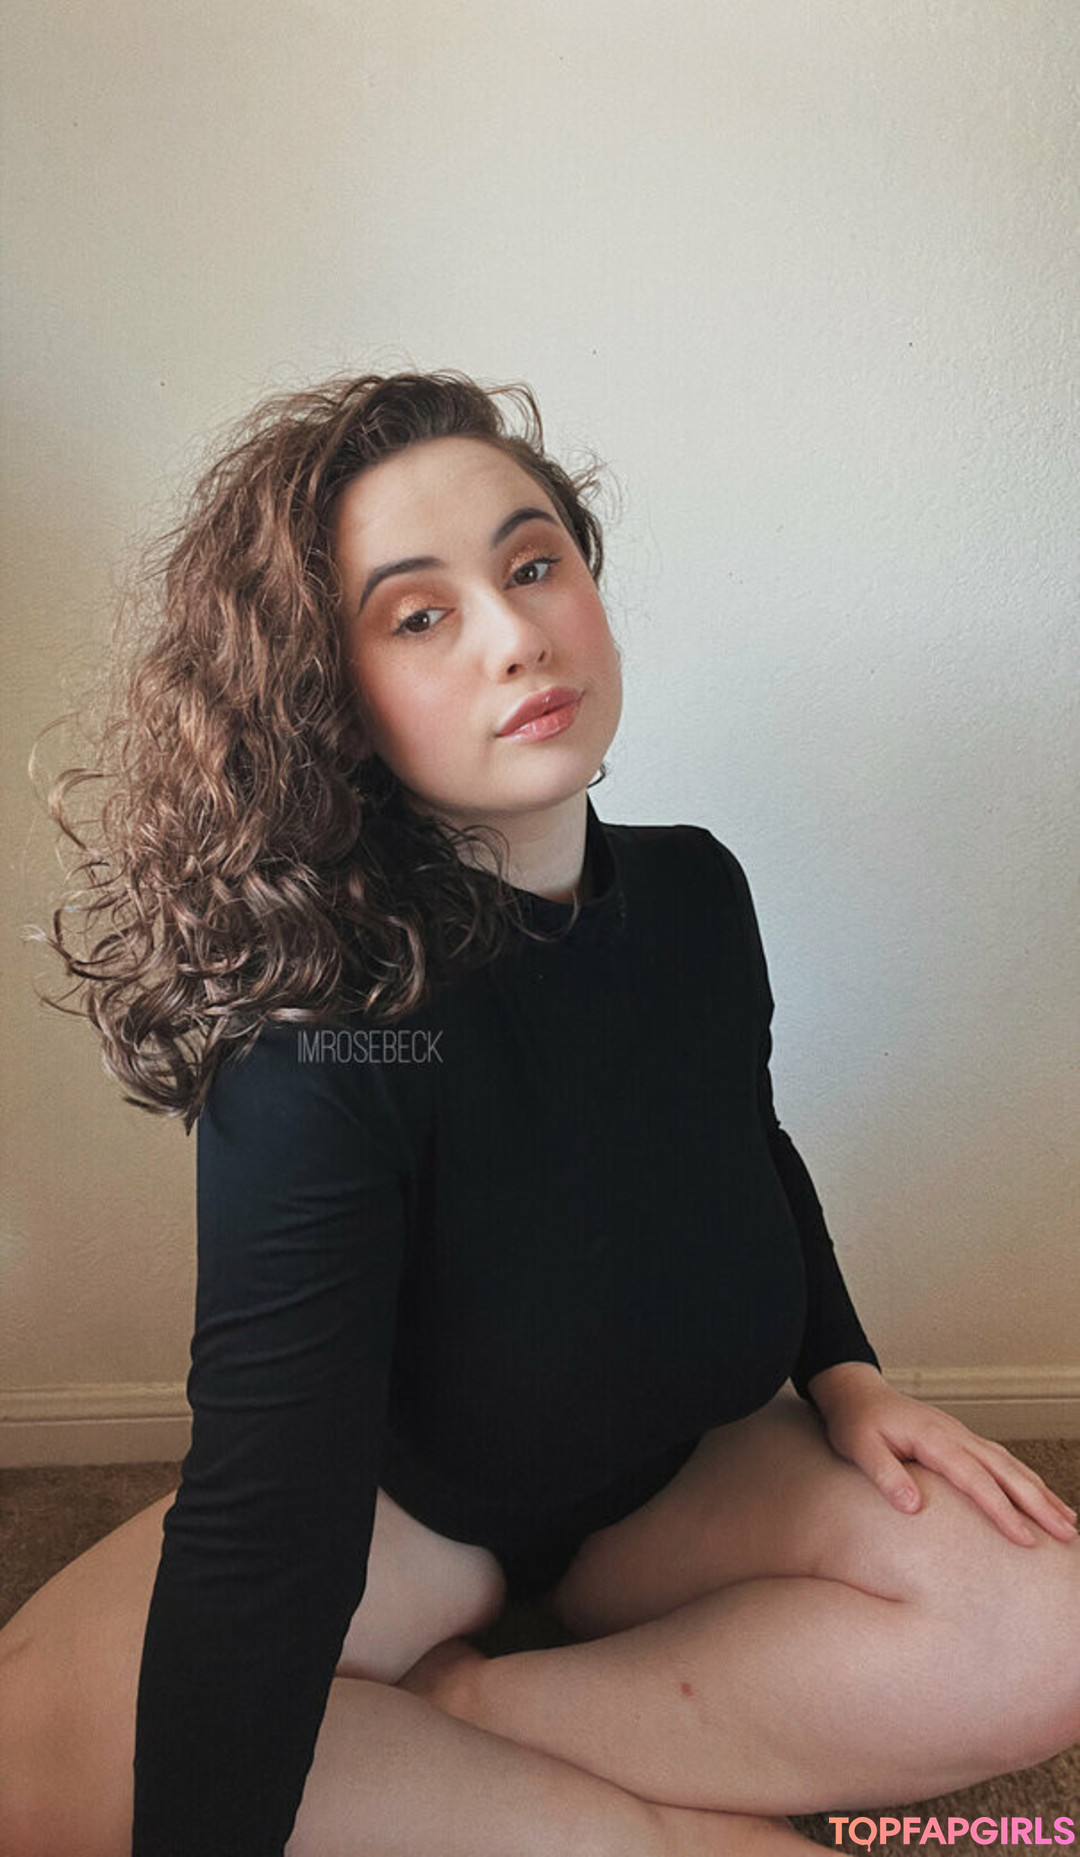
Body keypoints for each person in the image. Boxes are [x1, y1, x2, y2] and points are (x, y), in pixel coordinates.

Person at [2, 370, 1077, 1857]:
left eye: (531, 565)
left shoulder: (698, 888)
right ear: (332, 697)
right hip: (406, 1515)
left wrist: (847, 1374)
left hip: (678, 1483)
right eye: (417, 614)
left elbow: (748, 1141)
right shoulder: (319, 1039)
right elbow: (268, 1529)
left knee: (1051, 1625)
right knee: (36, 1775)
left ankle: (483, 1705)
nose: (515, 635)